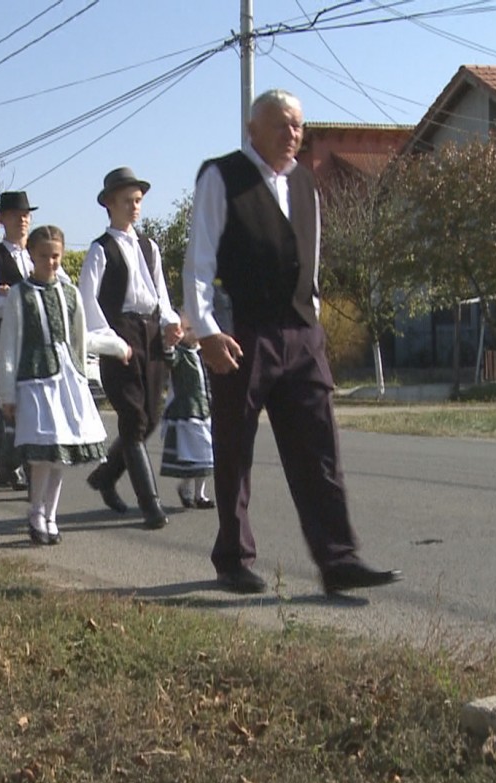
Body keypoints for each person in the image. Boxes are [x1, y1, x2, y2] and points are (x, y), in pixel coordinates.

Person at [184, 88, 401, 596]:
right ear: (253, 130)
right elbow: (199, 261)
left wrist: (315, 322)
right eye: (281, 124)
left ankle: (338, 560)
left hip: (302, 335)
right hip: (244, 333)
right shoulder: (222, 176)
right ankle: (234, 558)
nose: (292, 134)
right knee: (235, 449)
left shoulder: (305, 182)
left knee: (319, 450)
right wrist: (206, 331)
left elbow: (312, 260)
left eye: (298, 125)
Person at [0, 225, 129, 546]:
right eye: (44, 255)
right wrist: (7, 392)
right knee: (43, 452)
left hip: (67, 380)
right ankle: (35, 512)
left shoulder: (70, 294)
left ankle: (51, 515)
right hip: (34, 381)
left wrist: (116, 346)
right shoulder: (19, 294)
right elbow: (9, 345)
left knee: (61, 455)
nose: (51, 262)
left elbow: (81, 338)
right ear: (31, 254)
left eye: (55, 256)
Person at [80, 167, 184, 529]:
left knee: (151, 417)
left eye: (138, 200)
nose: (134, 206)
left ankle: (106, 476)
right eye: (127, 200)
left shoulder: (149, 247)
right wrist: (109, 341)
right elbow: (87, 302)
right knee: (133, 417)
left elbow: (160, 294)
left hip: (150, 334)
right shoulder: (100, 250)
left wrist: (170, 323)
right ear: (109, 204)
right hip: (120, 334)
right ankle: (150, 504)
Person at [0, 191, 48, 491]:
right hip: (5, 342)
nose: (23, 220)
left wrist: (12, 295)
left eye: (26, 215)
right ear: (3, 219)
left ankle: (23, 465)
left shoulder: (38, 255)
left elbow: (59, 289)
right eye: (16, 216)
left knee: (34, 406)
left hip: (37, 343)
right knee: (9, 405)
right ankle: (12, 463)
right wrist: (18, 300)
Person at [159, 325, 214, 508]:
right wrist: (169, 344)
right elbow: (169, 358)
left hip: (204, 410)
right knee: (191, 455)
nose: (195, 332)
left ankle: (200, 495)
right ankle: (185, 488)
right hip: (186, 412)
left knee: (206, 454)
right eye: (189, 328)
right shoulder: (180, 353)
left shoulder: (202, 353)